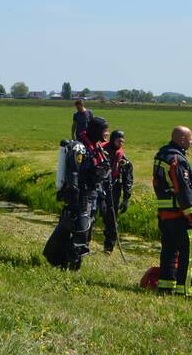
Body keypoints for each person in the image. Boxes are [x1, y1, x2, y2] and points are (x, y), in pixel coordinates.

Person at [45, 115, 111, 269]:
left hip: (91, 195)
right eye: (105, 131)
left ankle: (68, 262)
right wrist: (74, 196)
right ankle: (68, 264)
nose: (106, 134)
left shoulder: (97, 148)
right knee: (79, 229)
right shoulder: (80, 147)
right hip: (80, 196)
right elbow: (74, 173)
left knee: (85, 230)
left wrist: (101, 197)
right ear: (97, 130)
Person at [153, 126, 192, 297]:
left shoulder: (161, 156)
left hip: (165, 216)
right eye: (190, 138)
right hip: (180, 217)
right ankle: (186, 292)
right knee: (190, 255)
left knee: (169, 253)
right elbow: (183, 190)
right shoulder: (177, 160)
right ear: (181, 139)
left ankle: (166, 287)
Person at [95, 130, 134, 253]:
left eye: (123, 141)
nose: (121, 143)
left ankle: (109, 247)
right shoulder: (100, 150)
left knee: (111, 217)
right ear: (112, 139)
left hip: (113, 189)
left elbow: (128, 177)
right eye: (119, 140)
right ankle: (82, 242)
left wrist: (127, 197)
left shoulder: (122, 157)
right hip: (97, 186)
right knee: (91, 213)